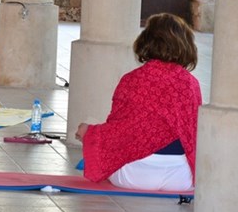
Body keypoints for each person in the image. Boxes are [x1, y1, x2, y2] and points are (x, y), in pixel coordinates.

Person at [75, 13, 201, 191]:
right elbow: (193, 133)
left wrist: (89, 133)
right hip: (180, 178)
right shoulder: (191, 84)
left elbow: (118, 130)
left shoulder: (131, 79)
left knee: (88, 132)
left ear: (145, 41)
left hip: (134, 176)